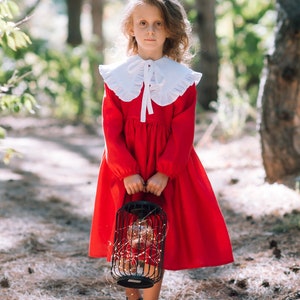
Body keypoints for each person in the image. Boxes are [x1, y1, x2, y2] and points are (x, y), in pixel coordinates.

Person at [89, 0, 234, 299]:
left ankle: (152, 299)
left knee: (156, 235)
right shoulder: (117, 78)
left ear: (170, 29)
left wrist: (165, 172)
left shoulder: (181, 81)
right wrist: (126, 171)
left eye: (158, 24)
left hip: (164, 168)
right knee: (128, 231)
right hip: (126, 166)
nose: (150, 30)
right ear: (131, 28)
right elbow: (110, 130)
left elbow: (183, 134)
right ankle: (131, 297)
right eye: (142, 23)